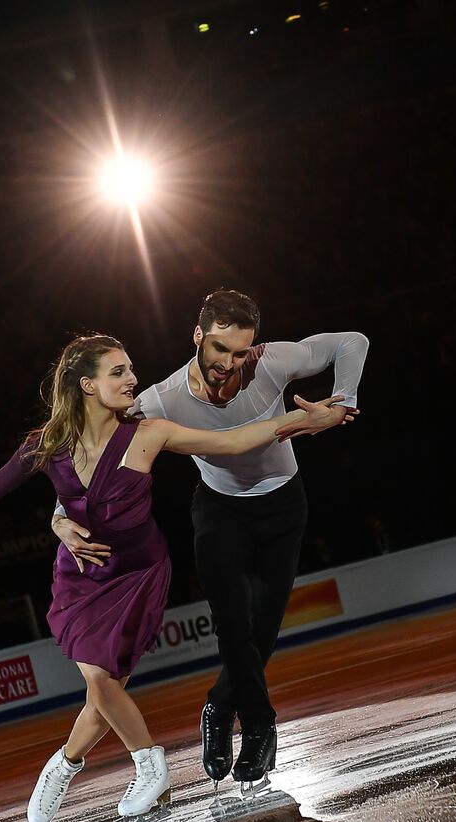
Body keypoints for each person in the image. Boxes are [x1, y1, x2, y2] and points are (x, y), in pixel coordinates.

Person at [0, 333, 346, 822]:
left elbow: (232, 441)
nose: (133, 379)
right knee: (100, 681)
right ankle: (147, 766)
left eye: (131, 370)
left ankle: (65, 765)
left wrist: (301, 419)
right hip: (83, 576)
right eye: (119, 372)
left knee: (104, 688)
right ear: (87, 385)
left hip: (138, 575)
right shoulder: (47, 444)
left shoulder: (148, 432)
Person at [52, 294, 369, 795]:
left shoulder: (272, 361)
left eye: (240, 353)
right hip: (219, 512)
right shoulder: (160, 399)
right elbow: (88, 457)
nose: (229, 363)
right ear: (198, 336)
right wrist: (58, 517)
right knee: (230, 623)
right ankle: (260, 730)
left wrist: (344, 402)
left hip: (284, 507)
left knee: (262, 629)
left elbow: (354, 342)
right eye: (220, 348)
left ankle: (220, 708)